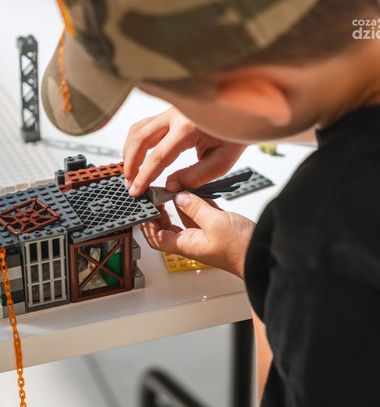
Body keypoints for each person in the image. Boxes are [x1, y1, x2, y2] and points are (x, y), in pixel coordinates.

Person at [42, 1, 380, 405]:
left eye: (182, 102)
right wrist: (240, 115)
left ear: (255, 99)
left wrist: (260, 267)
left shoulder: (318, 246)